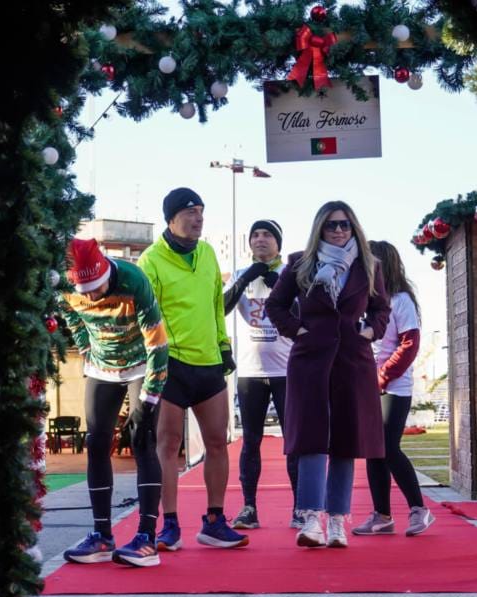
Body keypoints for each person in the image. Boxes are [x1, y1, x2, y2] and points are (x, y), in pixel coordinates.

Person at [266, 201, 390, 548]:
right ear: (320, 228)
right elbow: (276, 305)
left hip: (353, 360)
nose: (338, 231)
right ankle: (311, 520)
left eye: (345, 225)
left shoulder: (369, 266)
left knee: (345, 442)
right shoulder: (299, 263)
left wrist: (370, 332)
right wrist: (297, 331)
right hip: (310, 361)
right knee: (311, 439)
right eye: (332, 225)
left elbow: (382, 308)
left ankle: (337, 522)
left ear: (354, 229)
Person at [137, 187, 248, 550]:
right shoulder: (151, 260)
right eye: (190, 212)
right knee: (168, 445)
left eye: (201, 211)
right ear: (171, 218)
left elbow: (217, 305)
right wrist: (158, 357)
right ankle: (169, 525)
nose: (198, 218)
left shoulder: (208, 253)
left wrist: (224, 345)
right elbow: (145, 316)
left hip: (209, 364)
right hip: (171, 365)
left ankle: (215, 521)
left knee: (218, 442)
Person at [58, 238, 168, 567]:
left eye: (97, 288)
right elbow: (73, 319)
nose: (91, 296)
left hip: (140, 365)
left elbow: (158, 343)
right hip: (101, 368)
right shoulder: (65, 288)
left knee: (143, 440)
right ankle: (102, 536)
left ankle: (147, 538)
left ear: (108, 271)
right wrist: (87, 350)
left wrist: (149, 396)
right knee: (96, 443)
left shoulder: (134, 280)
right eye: (85, 291)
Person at [353, 241, 435, 536]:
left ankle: (419, 510)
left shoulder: (401, 300)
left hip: (394, 387)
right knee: (373, 451)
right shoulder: (363, 300)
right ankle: (382, 515)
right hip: (365, 386)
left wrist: (383, 377)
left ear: (383, 264)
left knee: (388, 447)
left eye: (370, 260)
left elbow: (409, 344)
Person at [222, 220, 300, 529]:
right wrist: (244, 282)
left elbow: (304, 314)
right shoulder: (242, 273)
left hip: (286, 370)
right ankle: (249, 507)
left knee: (293, 442)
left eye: (267, 234)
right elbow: (222, 308)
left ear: (278, 243)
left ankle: (299, 508)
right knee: (250, 441)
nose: (260, 239)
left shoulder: (290, 274)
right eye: (255, 234)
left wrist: (278, 290)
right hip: (250, 372)